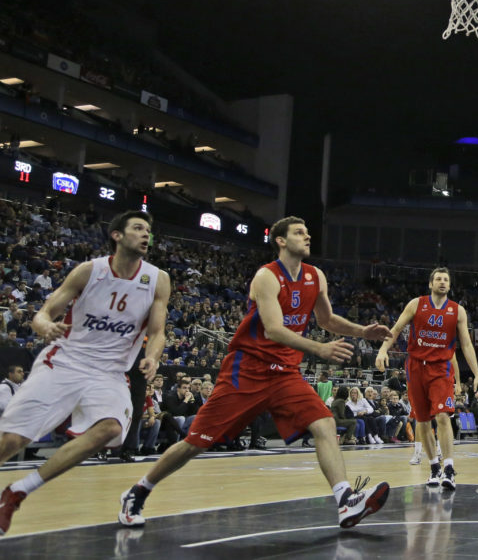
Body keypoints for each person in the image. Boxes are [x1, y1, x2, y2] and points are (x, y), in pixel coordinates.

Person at [117, 216, 393, 530]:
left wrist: (362, 331)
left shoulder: (316, 276)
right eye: (299, 233)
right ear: (281, 240)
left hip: (285, 374)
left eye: (307, 231)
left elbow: (327, 319)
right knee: (196, 442)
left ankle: (345, 501)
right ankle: (138, 491)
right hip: (247, 370)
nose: (307, 236)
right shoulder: (267, 277)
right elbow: (274, 330)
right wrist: (320, 349)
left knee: (325, 423)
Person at [0, 210, 170, 536]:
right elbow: (43, 313)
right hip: (65, 362)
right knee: (12, 439)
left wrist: (153, 357)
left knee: (109, 428)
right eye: (138, 228)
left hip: (109, 373)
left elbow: (158, 331)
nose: (146, 234)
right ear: (117, 235)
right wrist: (46, 326)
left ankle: (19, 490)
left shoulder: (157, 279)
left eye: (148, 230)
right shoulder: (89, 271)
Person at [376, 267, 478, 490]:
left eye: (446, 279)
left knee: (443, 416)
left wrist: (476, 374)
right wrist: (383, 350)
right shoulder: (416, 304)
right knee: (422, 421)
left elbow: (466, 345)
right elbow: (395, 329)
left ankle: (450, 469)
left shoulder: (458, 311)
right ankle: (434, 467)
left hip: (441, 368)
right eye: (438, 279)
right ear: (430, 284)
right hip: (415, 367)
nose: (442, 282)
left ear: (450, 285)